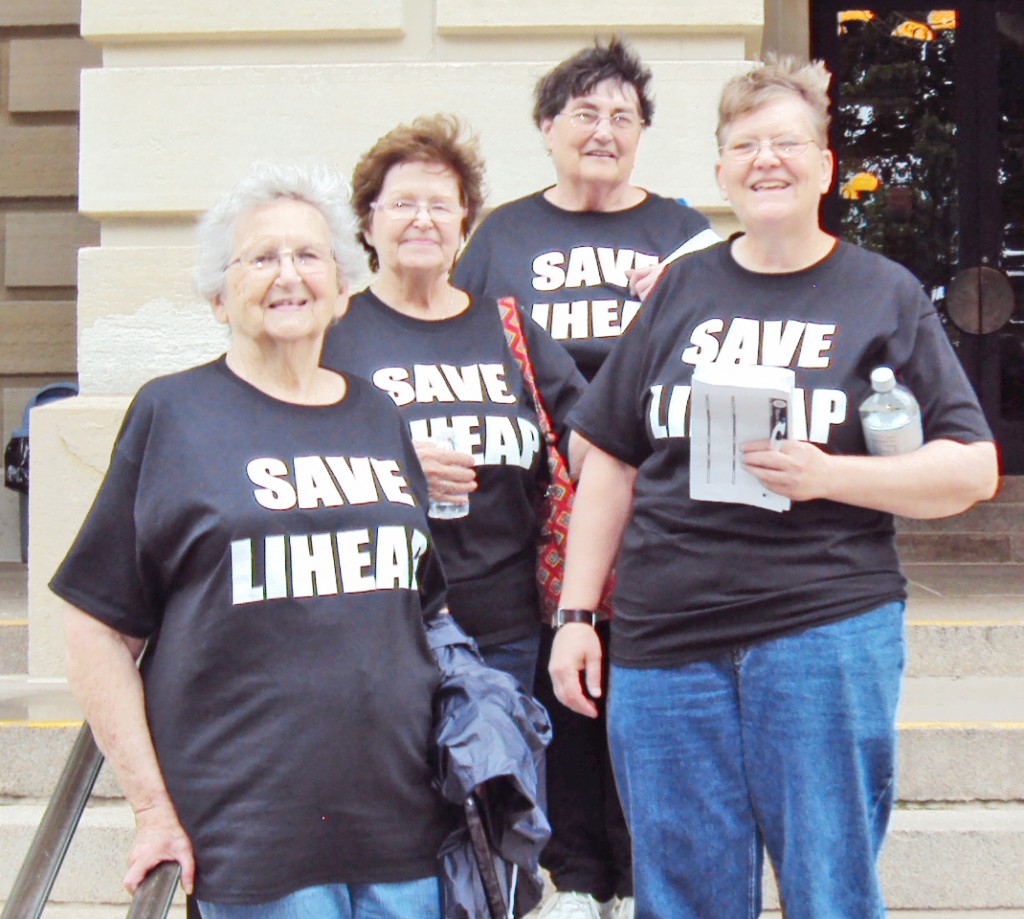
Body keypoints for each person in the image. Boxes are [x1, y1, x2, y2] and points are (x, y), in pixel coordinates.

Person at [549, 56, 1000, 919]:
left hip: (821, 630)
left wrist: (833, 474)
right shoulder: (683, 287)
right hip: (667, 635)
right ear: (720, 169)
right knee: (680, 892)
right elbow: (607, 454)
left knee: (829, 887)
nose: (767, 161)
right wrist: (576, 615)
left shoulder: (883, 293)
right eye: (744, 145)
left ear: (825, 165)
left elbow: (971, 468)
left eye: (787, 143)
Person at [51, 163, 456, 918]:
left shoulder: (379, 415)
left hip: (404, 825)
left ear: (341, 289)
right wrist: (150, 807)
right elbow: (94, 623)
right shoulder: (173, 414)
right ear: (217, 294)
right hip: (253, 835)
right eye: (260, 257)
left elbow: (421, 613)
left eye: (309, 255)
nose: (287, 275)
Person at [452, 38, 718, 919]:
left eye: (623, 117)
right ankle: (571, 873)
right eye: (584, 114)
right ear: (547, 127)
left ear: (643, 135)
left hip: (654, 499)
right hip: (540, 504)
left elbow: (723, 360)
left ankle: (641, 870)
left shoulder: (683, 235)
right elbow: (465, 340)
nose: (603, 132)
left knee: (642, 681)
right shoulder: (502, 234)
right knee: (560, 679)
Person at [321, 113, 586, 694]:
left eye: (441, 205)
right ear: (368, 223)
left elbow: (592, 440)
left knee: (501, 785)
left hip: (504, 636)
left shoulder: (508, 327)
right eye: (402, 204)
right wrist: (396, 466)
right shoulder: (331, 333)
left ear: (464, 222)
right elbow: (288, 454)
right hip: (374, 634)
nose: (423, 219)